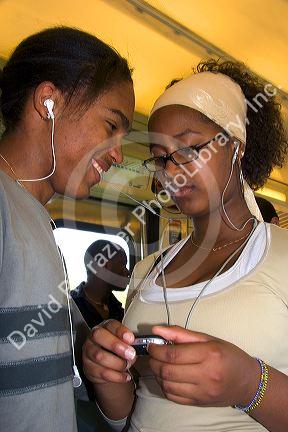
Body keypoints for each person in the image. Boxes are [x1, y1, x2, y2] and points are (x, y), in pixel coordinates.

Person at [82, 59, 288, 431]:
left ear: (235, 146)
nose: (173, 171)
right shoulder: (147, 270)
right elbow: (130, 416)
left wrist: (250, 385)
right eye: (161, 159)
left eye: (191, 149)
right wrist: (107, 376)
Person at [0, 27, 134, 432]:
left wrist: (93, 347)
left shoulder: (36, 219)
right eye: (111, 126)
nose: (117, 155)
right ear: (48, 103)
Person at [72, 240, 130, 328]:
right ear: (104, 265)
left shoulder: (118, 309)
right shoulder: (71, 305)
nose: (128, 272)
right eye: (123, 265)